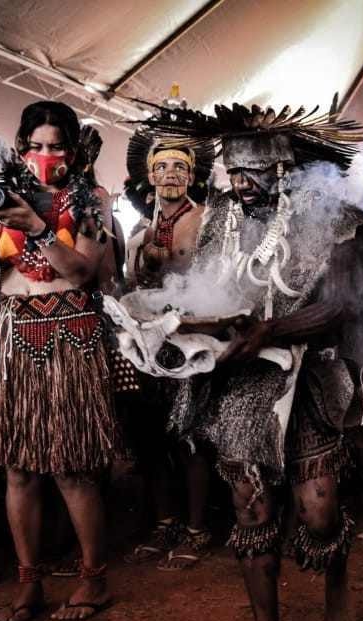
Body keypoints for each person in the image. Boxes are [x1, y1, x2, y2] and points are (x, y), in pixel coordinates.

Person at [143, 101, 363, 621]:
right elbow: (205, 290)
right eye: (233, 172)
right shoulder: (219, 220)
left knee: (318, 509)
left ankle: (335, 577)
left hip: (308, 375)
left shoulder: (327, 221)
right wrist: (176, 318)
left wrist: (272, 328)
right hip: (239, 383)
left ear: (283, 169)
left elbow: (340, 305)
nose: (240, 183)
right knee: (251, 508)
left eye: (253, 172)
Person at [0, 100, 116, 621]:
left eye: (56, 147)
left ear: (72, 151)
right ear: (21, 145)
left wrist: (39, 226)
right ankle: (29, 582)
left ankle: (93, 577)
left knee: (72, 467)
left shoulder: (92, 199)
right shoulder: (3, 190)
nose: (45, 155)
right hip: (11, 333)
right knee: (18, 469)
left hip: (70, 333)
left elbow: (85, 272)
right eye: (36, 145)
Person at [121, 132, 217, 571]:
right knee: (152, 437)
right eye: (162, 167)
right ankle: (165, 523)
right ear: (149, 175)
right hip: (147, 345)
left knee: (189, 438)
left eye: (180, 167)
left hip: (191, 341)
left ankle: (198, 528)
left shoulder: (208, 221)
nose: (170, 175)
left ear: (193, 175)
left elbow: (217, 280)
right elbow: (131, 286)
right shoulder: (139, 232)